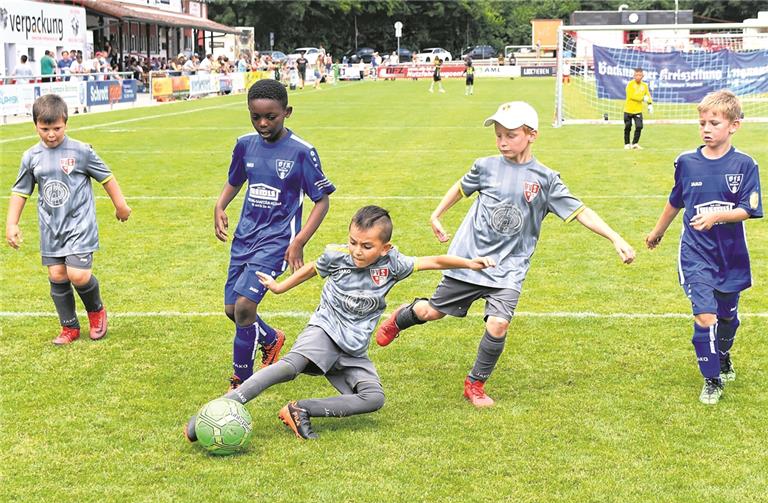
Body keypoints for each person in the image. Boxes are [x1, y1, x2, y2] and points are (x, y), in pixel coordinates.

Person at [375, 101, 636, 407]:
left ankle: (475, 383)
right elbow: (461, 188)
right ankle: (401, 317)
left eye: (510, 135)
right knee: (432, 312)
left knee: (498, 324)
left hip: (510, 267)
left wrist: (614, 237)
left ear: (532, 135)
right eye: (498, 134)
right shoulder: (484, 166)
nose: (502, 141)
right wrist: (436, 215)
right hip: (469, 260)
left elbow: (580, 212)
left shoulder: (546, 179)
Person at [184, 206, 496, 441]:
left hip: (353, 348)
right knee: (290, 367)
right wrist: (280, 287)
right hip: (325, 329)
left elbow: (435, 261)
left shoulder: (393, 264)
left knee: (374, 399)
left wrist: (470, 263)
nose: (358, 251)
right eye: (354, 242)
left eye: (367, 246)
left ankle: (300, 410)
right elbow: (310, 270)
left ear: (385, 247)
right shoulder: (338, 256)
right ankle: (214, 411)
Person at [214, 79, 336, 391]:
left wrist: (299, 241)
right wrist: (220, 205)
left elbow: (321, 201)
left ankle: (241, 382)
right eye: (256, 117)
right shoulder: (245, 145)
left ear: (287, 112)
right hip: (245, 236)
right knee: (233, 310)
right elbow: (236, 179)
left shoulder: (301, 152)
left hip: (278, 240)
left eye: (271, 117)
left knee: (243, 307)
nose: (263, 123)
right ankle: (270, 338)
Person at [645, 90, 762, 405]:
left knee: (727, 317)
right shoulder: (687, 162)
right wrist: (658, 231)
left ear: (734, 125)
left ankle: (723, 356)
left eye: (714, 122)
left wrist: (717, 215)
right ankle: (711, 380)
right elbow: (676, 200)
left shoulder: (745, 164)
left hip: (731, 256)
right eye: (702, 123)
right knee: (705, 316)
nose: (706, 129)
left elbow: (748, 210)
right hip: (696, 254)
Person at [5, 94, 132, 345]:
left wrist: (121, 206)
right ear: (35, 126)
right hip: (51, 227)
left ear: (66, 124)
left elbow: (106, 177)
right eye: (45, 129)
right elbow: (21, 191)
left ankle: (96, 312)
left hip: (79, 225)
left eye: (56, 128)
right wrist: (11, 223)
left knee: (79, 275)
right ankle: (69, 327)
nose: (51, 134)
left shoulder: (81, 151)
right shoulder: (31, 156)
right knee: (57, 275)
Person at [623, 67, 653, 150]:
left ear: (643, 76)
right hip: (628, 109)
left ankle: (635, 143)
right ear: (634, 76)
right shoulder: (630, 84)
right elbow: (631, 96)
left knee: (639, 126)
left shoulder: (644, 86)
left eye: (640, 75)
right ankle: (627, 143)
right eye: (636, 75)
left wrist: (650, 104)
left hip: (638, 111)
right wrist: (642, 98)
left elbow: (648, 95)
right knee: (628, 127)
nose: (638, 77)